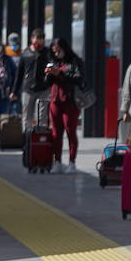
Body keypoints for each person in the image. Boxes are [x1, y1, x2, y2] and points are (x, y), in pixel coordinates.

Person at [44, 37, 86, 173]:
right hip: (55, 100)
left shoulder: (74, 61)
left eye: (58, 51)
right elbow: (47, 83)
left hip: (70, 101)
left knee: (70, 130)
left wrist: (60, 73)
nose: (56, 54)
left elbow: (79, 79)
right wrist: (49, 74)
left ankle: (72, 162)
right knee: (56, 132)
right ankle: (57, 161)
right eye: (54, 51)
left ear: (64, 48)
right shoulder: (54, 62)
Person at [17, 30, 52, 127]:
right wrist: (14, 91)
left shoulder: (47, 52)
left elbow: (53, 65)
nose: (38, 43)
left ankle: (41, 134)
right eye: (37, 39)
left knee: (42, 116)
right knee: (27, 116)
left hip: (43, 88)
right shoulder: (25, 53)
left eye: (41, 39)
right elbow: (19, 73)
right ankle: (26, 134)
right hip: (28, 89)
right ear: (32, 39)